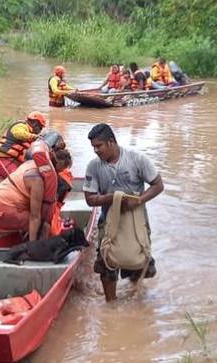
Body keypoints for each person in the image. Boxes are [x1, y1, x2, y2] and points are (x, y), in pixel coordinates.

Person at [83, 123, 164, 302]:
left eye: (99, 146)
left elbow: (158, 185)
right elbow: (90, 199)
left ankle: (135, 302)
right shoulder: (94, 166)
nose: (96, 150)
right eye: (93, 147)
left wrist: (139, 200)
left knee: (137, 263)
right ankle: (111, 306)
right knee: (106, 266)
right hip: (108, 220)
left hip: (135, 220)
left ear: (111, 142)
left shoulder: (137, 159)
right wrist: (113, 198)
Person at [0, 149, 72, 242]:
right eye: (60, 171)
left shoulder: (31, 163)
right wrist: (33, 244)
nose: (58, 174)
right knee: (45, 226)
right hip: (7, 211)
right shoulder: (37, 179)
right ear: (59, 166)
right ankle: (34, 253)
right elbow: (35, 216)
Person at [0, 111, 46, 178]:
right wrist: (34, 137)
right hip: (3, 160)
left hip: (14, 162)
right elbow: (18, 133)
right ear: (35, 123)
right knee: (17, 179)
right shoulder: (21, 125)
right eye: (40, 127)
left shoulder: (30, 136)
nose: (40, 131)